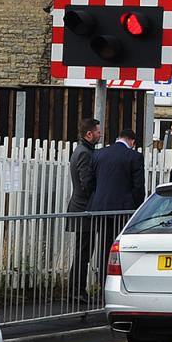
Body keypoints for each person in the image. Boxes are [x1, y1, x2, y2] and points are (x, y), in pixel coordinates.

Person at [68, 118, 103, 300]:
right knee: (83, 253)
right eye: (97, 132)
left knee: (83, 252)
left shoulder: (83, 151)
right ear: (89, 134)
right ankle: (77, 292)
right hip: (84, 209)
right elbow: (86, 183)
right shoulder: (84, 153)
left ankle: (76, 290)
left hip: (83, 208)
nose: (100, 134)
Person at [93, 129, 145, 226]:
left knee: (104, 239)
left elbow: (92, 181)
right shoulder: (135, 156)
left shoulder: (99, 154)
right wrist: (137, 206)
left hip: (100, 207)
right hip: (123, 209)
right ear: (132, 141)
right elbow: (138, 186)